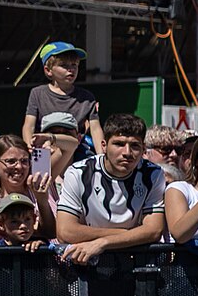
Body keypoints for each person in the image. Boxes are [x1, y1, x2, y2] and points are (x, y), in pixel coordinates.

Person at [54, 113, 169, 264]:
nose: (127, 152)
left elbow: (154, 230)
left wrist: (103, 243)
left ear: (143, 149)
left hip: (134, 262)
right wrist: (129, 234)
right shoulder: (79, 173)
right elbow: (65, 232)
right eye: (119, 144)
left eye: (135, 145)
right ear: (104, 146)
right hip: (86, 262)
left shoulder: (153, 174)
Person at [21, 41, 106, 156]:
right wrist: (29, 148)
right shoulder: (37, 93)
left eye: (74, 65)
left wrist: (101, 156)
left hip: (76, 149)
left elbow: (95, 129)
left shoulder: (87, 97)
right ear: (48, 70)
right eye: (64, 65)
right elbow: (29, 125)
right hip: (46, 148)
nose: (71, 69)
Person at [0, 135, 57, 242]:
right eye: (11, 161)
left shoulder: (41, 182)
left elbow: (70, 146)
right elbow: (47, 233)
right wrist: (42, 201)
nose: (19, 167)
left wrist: (51, 138)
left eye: (24, 161)